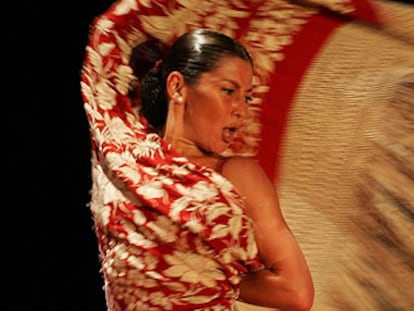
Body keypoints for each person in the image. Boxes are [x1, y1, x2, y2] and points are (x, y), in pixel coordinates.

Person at [81, 1, 314, 310]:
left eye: (247, 97)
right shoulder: (122, 152)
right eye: (229, 91)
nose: (242, 111)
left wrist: (197, 275)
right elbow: (107, 36)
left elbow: (295, 292)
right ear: (177, 86)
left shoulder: (237, 174)